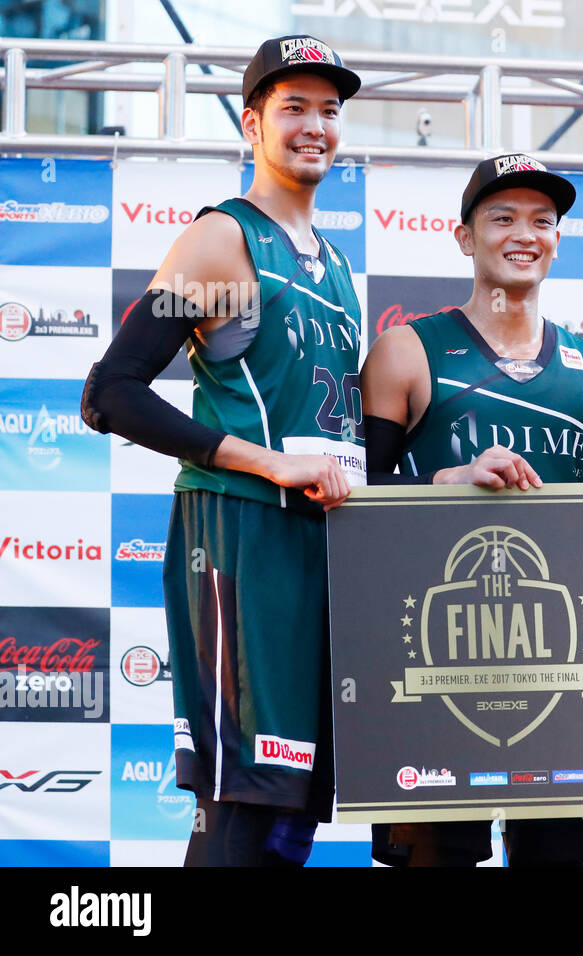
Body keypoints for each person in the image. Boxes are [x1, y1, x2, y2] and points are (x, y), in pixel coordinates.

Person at [80, 35, 366, 866]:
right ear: (251, 124)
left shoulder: (337, 264)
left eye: (329, 109)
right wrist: (267, 461)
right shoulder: (224, 240)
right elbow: (110, 392)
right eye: (293, 108)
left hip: (316, 546)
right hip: (237, 540)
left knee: (290, 815)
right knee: (241, 807)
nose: (315, 125)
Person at [361, 153, 583, 867]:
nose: (524, 233)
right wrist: (444, 481)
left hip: (561, 668)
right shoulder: (406, 350)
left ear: (559, 240)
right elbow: (349, 510)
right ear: (464, 237)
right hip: (433, 664)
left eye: (542, 220)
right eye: (502, 217)